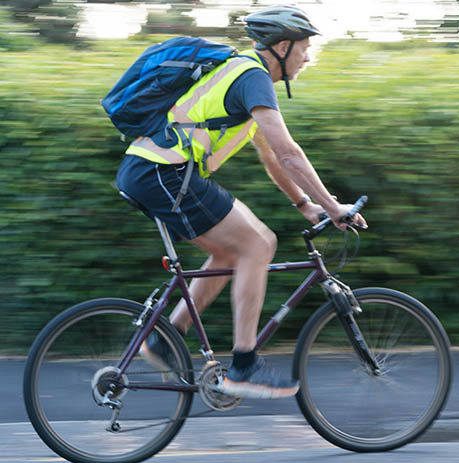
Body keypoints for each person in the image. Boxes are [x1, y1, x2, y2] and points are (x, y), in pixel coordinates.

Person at [115, 5, 366, 399]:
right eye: (303, 48)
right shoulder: (252, 76)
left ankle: (167, 338)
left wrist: (307, 204)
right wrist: (334, 208)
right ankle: (244, 365)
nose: (308, 57)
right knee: (257, 244)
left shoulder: (242, 75)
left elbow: (271, 156)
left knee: (232, 253)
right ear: (282, 46)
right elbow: (289, 153)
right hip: (163, 172)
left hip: (156, 173)